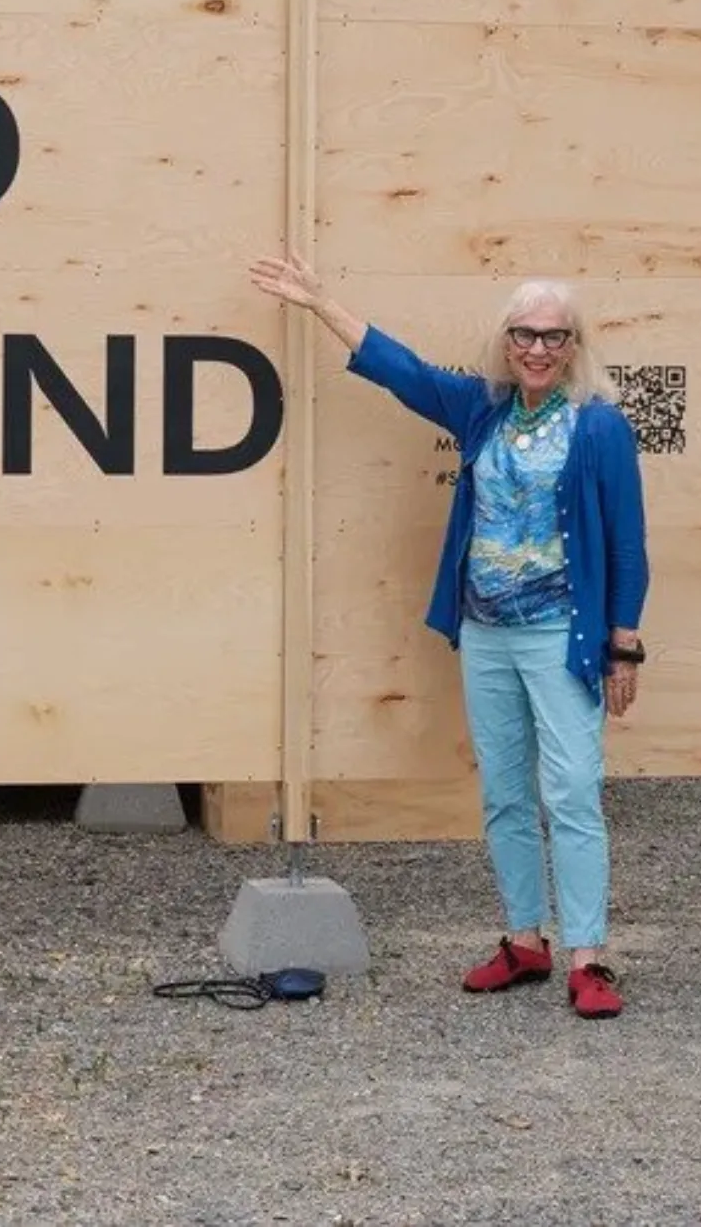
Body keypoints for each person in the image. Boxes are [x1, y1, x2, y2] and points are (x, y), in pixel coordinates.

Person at [248, 252, 648, 1020]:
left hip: (562, 635)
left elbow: (628, 542)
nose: (537, 349)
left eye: (554, 337)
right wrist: (321, 302)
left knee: (569, 792)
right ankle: (525, 939)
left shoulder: (598, 426)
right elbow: (402, 371)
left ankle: (589, 957)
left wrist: (624, 640)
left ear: (575, 346)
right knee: (503, 793)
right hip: (486, 633)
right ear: (505, 341)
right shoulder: (483, 411)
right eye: (524, 335)